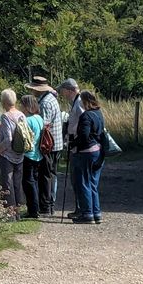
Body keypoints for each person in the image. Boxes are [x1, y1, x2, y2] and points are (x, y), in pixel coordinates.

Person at [26, 76, 62, 214]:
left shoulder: (45, 102)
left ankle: (47, 205)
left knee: (46, 175)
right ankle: (48, 204)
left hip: (49, 145)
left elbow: (44, 125)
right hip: (55, 143)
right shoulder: (50, 98)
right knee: (51, 174)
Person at [72, 90, 106, 224]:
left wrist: (73, 144)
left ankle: (87, 214)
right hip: (97, 150)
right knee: (93, 183)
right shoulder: (99, 113)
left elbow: (84, 136)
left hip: (86, 152)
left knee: (84, 183)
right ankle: (96, 213)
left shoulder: (86, 116)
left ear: (85, 101)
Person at [0, 89, 27, 218]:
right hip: (20, 154)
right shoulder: (21, 115)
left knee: (7, 183)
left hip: (7, 155)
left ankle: (10, 213)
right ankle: (18, 211)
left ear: (3, 102)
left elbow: (8, 139)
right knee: (17, 183)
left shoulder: (6, 116)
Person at [58, 78, 83, 215]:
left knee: (77, 179)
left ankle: (81, 208)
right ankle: (79, 208)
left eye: (63, 91)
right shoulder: (76, 102)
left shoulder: (79, 103)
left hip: (78, 145)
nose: (63, 94)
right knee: (76, 179)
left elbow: (83, 122)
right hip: (75, 144)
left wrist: (73, 138)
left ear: (69, 90)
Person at [18, 94, 44, 219]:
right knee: (34, 181)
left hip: (29, 154)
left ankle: (33, 210)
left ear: (26, 106)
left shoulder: (27, 120)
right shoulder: (39, 118)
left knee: (28, 183)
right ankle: (35, 208)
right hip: (38, 154)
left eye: (21, 104)